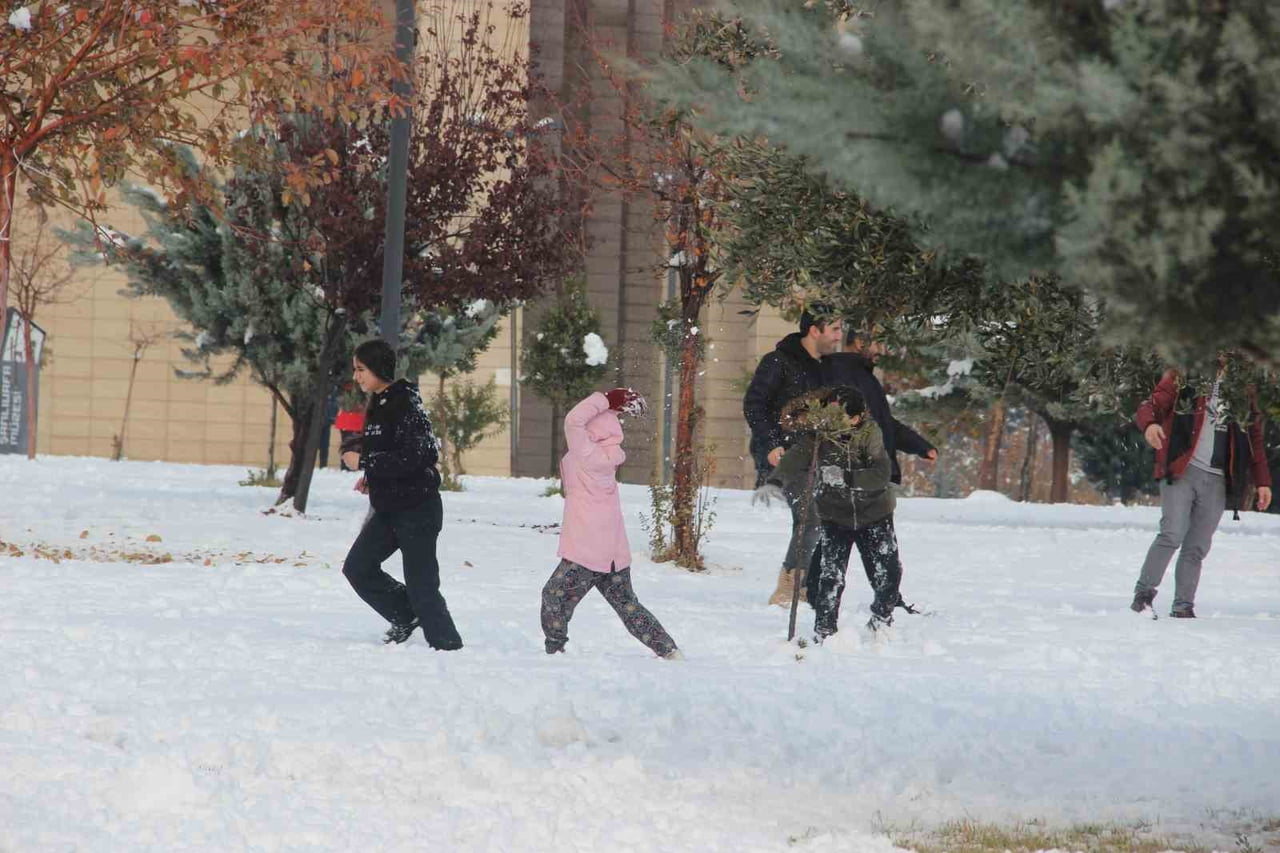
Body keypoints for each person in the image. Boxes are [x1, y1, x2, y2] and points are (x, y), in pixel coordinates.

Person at [340, 339, 463, 650]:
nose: (356, 376)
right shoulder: (378, 403)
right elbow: (390, 453)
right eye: (355, 369)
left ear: (378, 368)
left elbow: (421, 454)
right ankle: (407, 616)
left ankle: (447, 646)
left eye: (361, 369)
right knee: (358, 568)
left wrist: (365, 462)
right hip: (389, 508)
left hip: (417, 508)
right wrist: (373, 478)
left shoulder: (405, 402)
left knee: (423, 586)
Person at [540, 388, 681, 659]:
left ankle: (554, 651)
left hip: (587, 549)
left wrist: (605, 399)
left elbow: (573, 420)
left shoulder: (587, 453)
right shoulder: (606, 452)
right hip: (612, 550)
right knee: (627, 605)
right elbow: (584, 423)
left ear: (592, 432)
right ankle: (668, 649)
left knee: (553, 596)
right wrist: (612, 409)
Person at [1130, 359, 1272, 619]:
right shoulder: (1186, 371)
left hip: (1217, 477)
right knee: (1172, 533)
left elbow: (1253, 436)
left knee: (1197, 545)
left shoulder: (1242, 388)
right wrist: (1150, 424)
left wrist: (1263, 481)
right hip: (1182, 468)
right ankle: (1143, 596)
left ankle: (1183, 606)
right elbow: (1151, 405)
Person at [758, 387, 902, 637]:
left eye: (841, 416)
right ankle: (824, 628)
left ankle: (882, 617)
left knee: (887, 571)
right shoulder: (820, 434)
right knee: (831, 575)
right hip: (835, 514)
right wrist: (776, 480)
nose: (834, 421)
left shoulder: (870, 434)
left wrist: (846, 477)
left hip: (874, 513)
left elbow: (880, 474)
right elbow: (798, 455)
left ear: (856, 418)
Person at [744, 309, 844, 606]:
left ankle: (805, 586)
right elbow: (754, 405)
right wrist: (772, 445)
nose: (839, 336)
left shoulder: (826, 368)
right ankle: (788, 588)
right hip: (784, 455)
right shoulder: (778, 362)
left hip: (816, 455)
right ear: (814, 330)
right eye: (835, 329)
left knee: (820, 518)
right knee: (810, 517)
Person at [822, 324, 938, 485]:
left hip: (869, 478)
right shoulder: (844, 375)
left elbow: (883, 423)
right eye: (878, 343)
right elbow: (842, 429)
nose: (881, 349)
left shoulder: (863, 377)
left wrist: (920, 446)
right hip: (857, 480)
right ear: (860, 342)